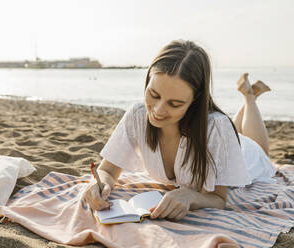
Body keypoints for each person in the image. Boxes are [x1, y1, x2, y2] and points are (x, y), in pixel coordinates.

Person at [84, 39, 276, 221]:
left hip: (246, 155)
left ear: (195, 100)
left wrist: (190, 196)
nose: (158, 111)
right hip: (224, 137)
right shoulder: (137, 115)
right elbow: (107, 170)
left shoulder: (218, 127)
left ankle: (250, 97)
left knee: (260, 149)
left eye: (175, 104)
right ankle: (248, 97)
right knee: (236, 133)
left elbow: (218, 198)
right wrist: (100, 184)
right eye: (153, 94)